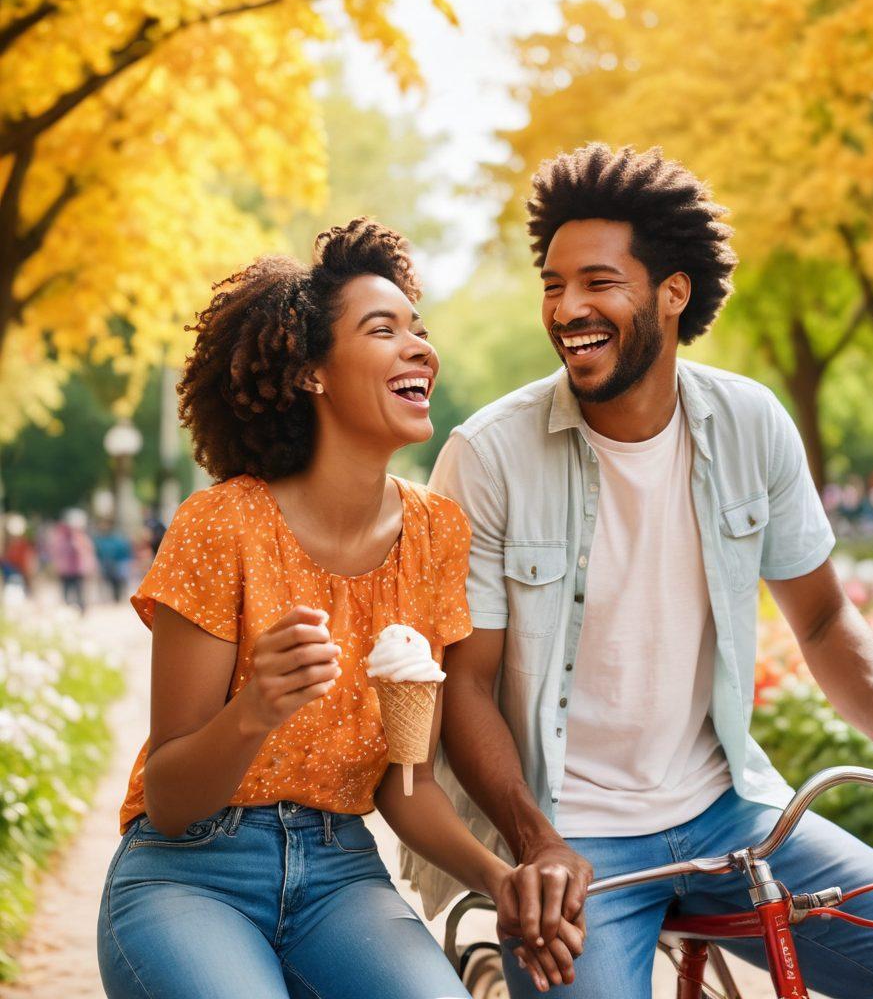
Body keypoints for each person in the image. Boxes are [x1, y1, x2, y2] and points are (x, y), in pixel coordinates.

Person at [406, 145, 873, 998]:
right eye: (553, 284)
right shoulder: (489, 455)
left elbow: (822, 619)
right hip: (570, 836)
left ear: (672, 293)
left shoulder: (752, 423)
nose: (567, 308)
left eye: (599, 282)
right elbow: (466, 683)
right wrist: (537, 842)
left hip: (731, 810)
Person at [96, 220, 575, 999]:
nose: (419, 349)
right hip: (190, 872)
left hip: (339, 870)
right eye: (383, 330)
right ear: (311, 372)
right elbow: (172, 800)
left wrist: (501, 879)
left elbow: (406, 784)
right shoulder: (222, 525)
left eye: (419, 330)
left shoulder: (435, 533)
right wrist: (255, 709)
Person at [92, 519, 133, 603]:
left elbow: (124, 548)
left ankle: (118, 597)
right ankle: (114, 597)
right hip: (107, 561)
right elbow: (98, 550)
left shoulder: (117, 537)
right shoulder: (100, 538)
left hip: (118, 561)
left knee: (118, 580)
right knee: (110, 580)